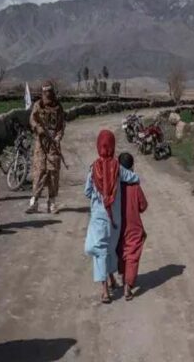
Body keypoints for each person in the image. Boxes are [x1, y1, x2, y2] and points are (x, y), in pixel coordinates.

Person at [84, 130, 139, 304]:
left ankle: (105, 291)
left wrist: (97, 196)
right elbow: (134, 177)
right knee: (109, 250)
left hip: (99, 218)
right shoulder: (118, 168)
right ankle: (112, 279)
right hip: (115, 220)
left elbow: (87, 192)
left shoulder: (93, 169)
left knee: (99, 251)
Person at [26, 81, 66, 214]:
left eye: (49, 93)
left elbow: (61, 126)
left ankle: (52, 202)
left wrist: (58, 137)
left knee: (53, 173)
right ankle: (34, 201)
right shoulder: (38, 105)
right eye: (45, 93)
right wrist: (38, 128)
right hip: (40, 144)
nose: (47, 95)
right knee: (39, 172)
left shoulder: (58, 107)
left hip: (53, 145)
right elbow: (32, 120)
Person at [117, 152, 148, 301]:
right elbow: (143, 206)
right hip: (134, 225)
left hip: (118, 225)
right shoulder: (135, 186)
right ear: (132, 167)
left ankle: (122, 276)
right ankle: (128, 286)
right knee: (132, 253)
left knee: (121, 250)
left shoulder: (115, 186)